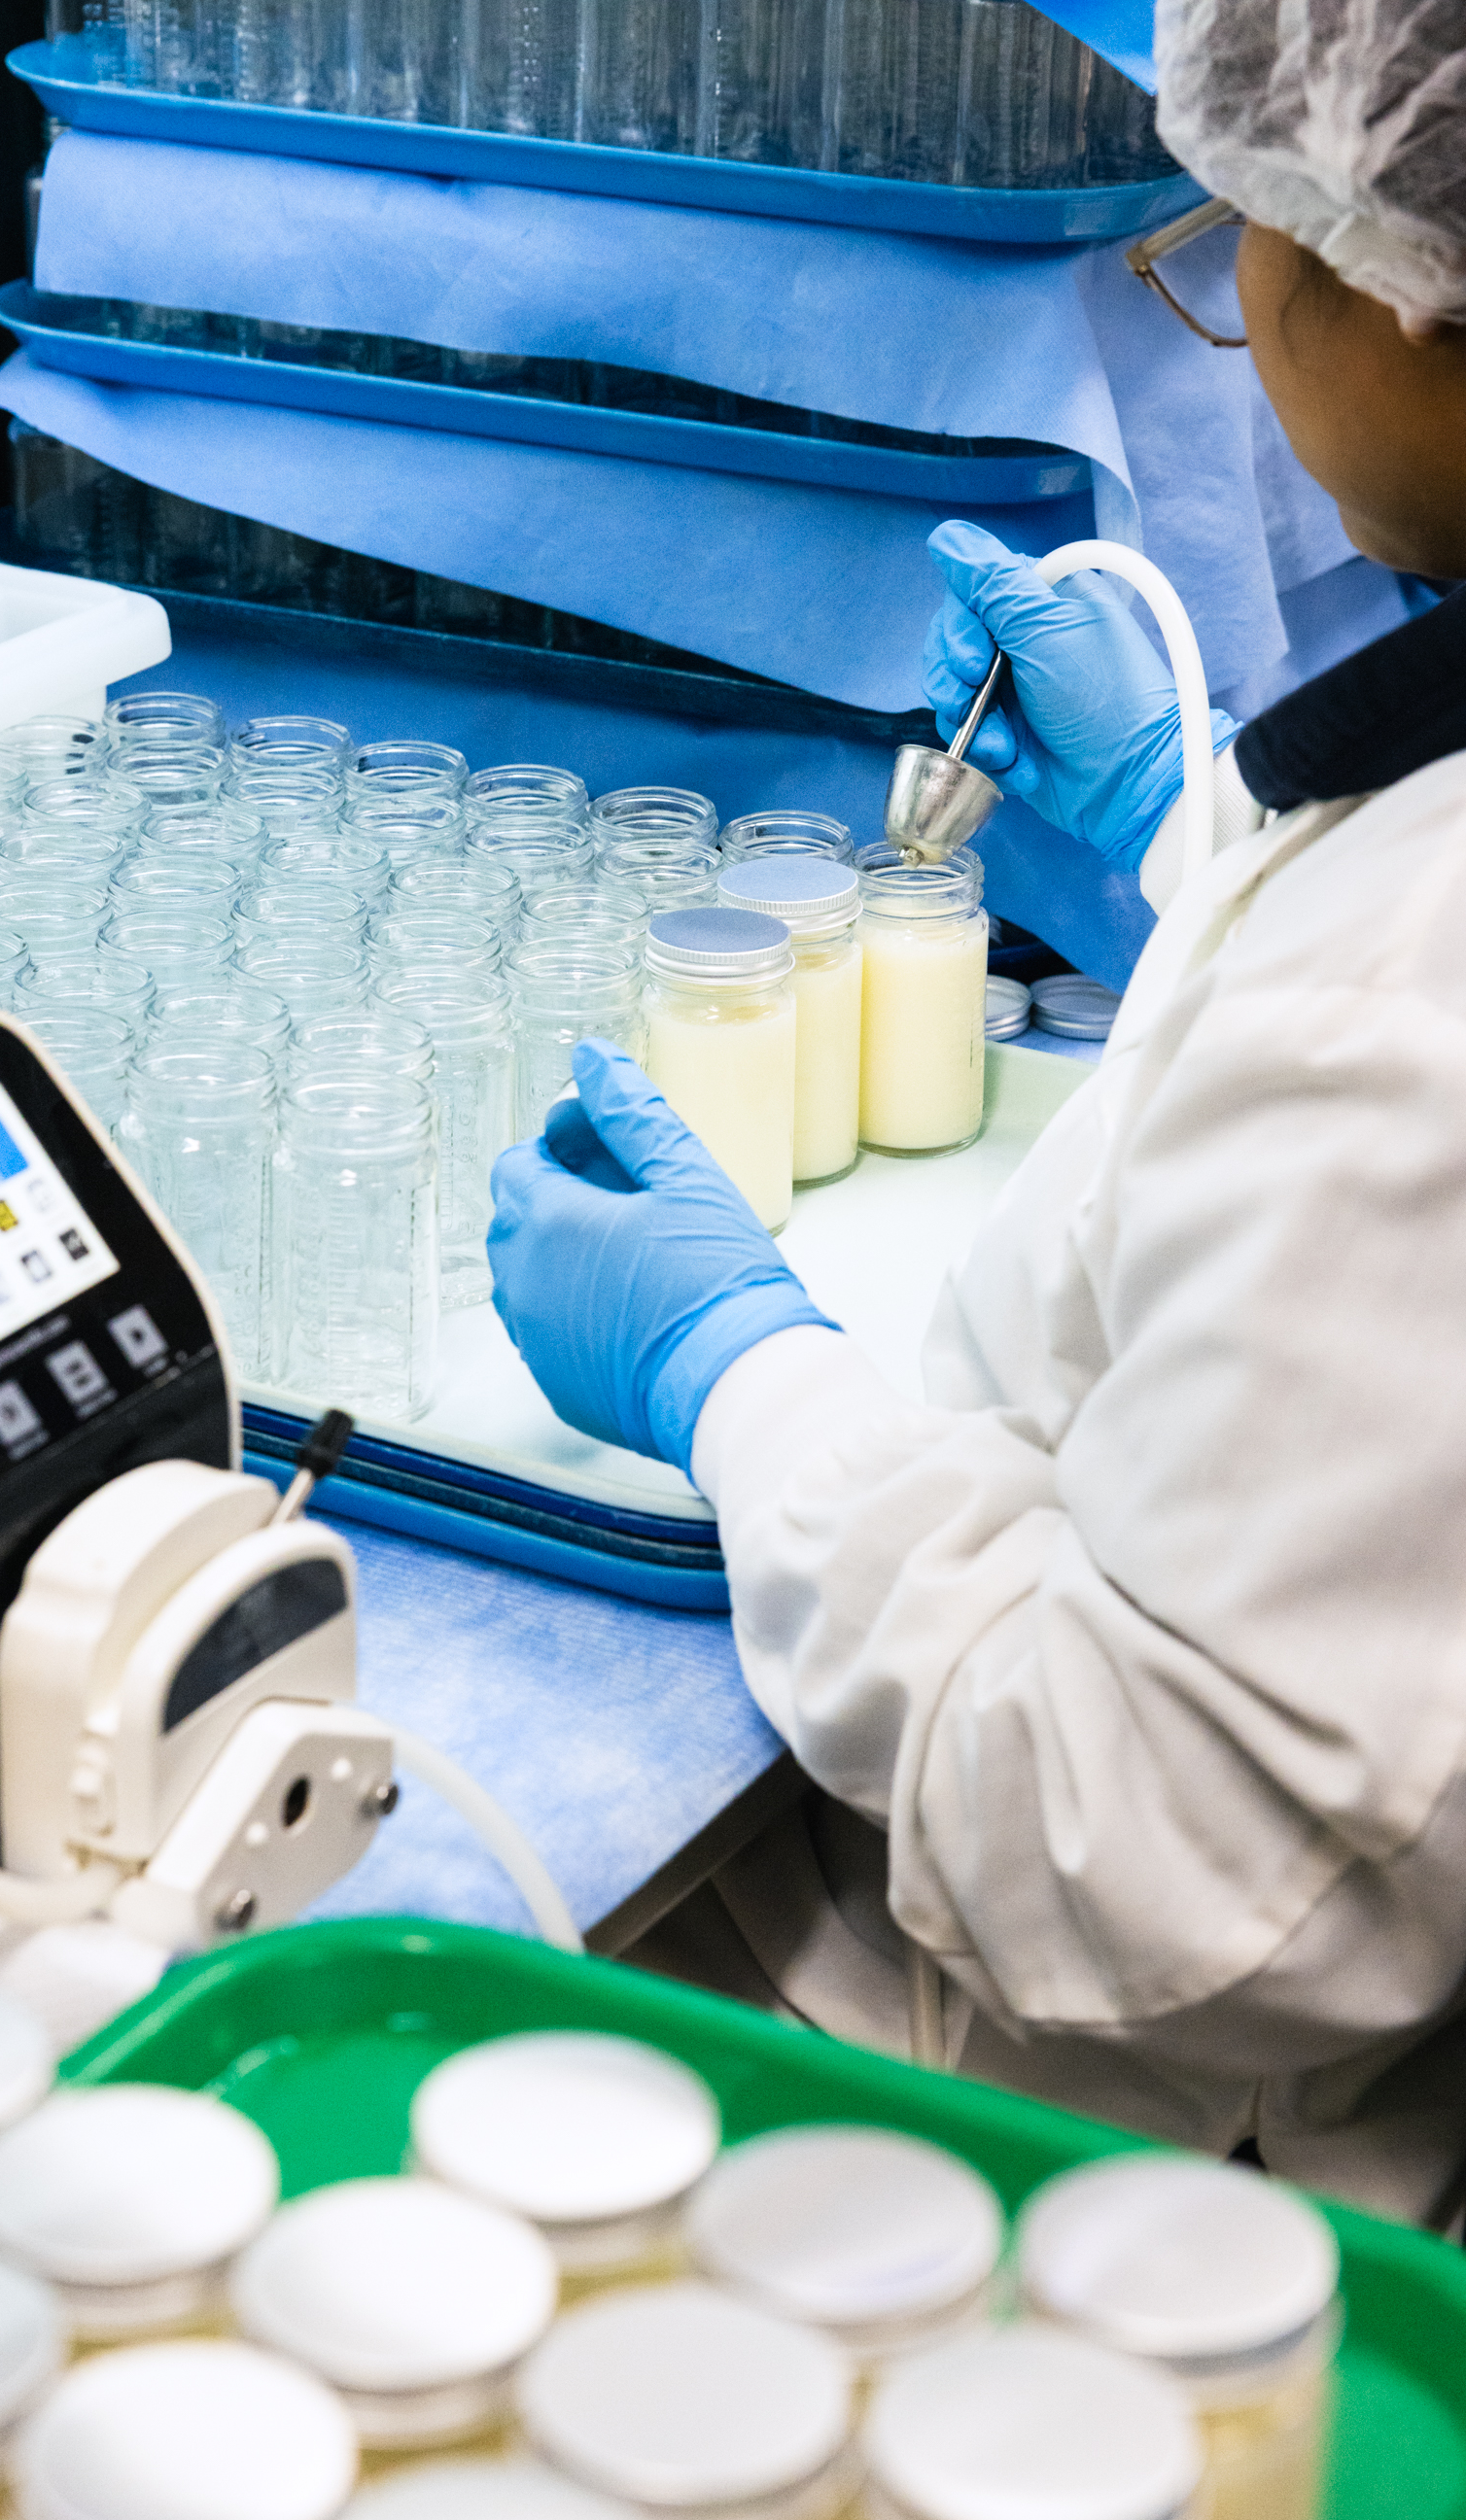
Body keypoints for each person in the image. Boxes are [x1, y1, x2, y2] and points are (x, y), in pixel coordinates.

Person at [486, 0, 1466, 2223]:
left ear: (1404, 289)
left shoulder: (1408, 1002)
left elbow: (1158, 1870)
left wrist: (744, 1387)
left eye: (1234, 252)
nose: (1238, 316)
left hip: (1180, 2201)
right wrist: (1184, 839)